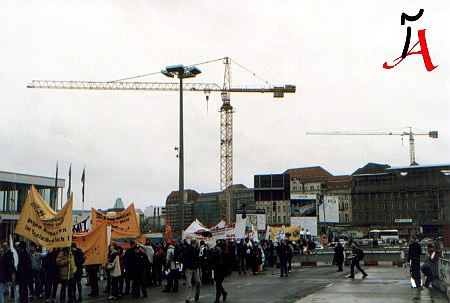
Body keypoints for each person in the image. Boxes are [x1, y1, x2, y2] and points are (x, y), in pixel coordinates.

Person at [182, 239, 201, 303]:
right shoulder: (196, 250)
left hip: (190, 268)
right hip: (193, 268)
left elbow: (184, 259)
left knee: (189, 284)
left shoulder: (187, 250)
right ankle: (196, 293)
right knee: (197, 282)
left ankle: (187, 298)